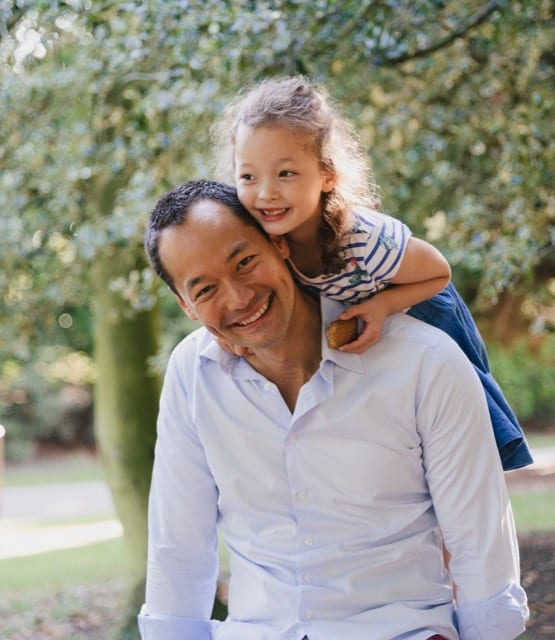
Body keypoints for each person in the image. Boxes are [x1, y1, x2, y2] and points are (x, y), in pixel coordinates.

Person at [138, 179, 529, 640]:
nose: (239, 298)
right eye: (205, 290)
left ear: (279, 244)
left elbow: (479, 547)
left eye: (245, 262)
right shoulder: (192, 374)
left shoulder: (425, 360)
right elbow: (178, 549)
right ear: (186, 305)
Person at [212, 75, 532, 471]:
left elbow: (438, 272)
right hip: (356, 305)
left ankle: (490, 462)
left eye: (286, 174)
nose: (266, 193)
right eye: (248, 176)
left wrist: (383, 305)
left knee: (464, 399)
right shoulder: (264, 235)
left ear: (327, 174)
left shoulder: (361, 239)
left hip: (419, 299)